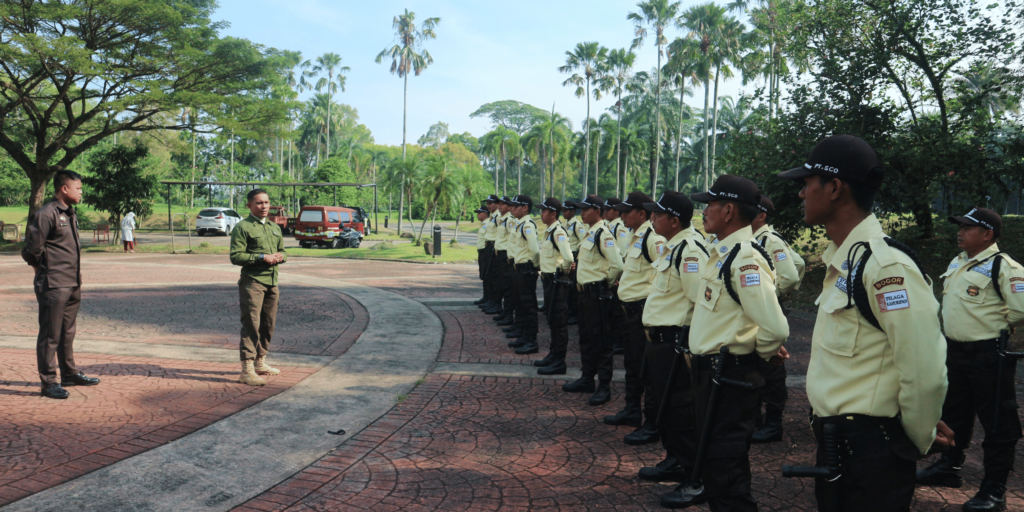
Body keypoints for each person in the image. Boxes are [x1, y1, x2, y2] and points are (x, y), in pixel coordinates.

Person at [778, 135, 951, 512]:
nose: (801, 194)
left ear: (835, 188)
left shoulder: (886, 267)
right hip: (841, 442)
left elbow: (924, 368)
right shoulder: (849, 261)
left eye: (807, 185)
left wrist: (916, 438)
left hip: (871, 449)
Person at [661, 175, 789, 510]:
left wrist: (760, 352)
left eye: (710, 204)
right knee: (716, 469)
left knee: (727, 474)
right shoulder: (722, 254)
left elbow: (775, 328)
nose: (704, 212)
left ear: (729, 210)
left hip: (731, 377)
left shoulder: (745, 259)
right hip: (713, 375)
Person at [917, 207, 1024, 511]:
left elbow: (1022, 308)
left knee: (997, 423)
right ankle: (949, 468)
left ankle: (994, 491)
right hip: (956, 353)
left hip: (989, 356)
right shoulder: (960, 262)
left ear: (987, 234)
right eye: (960, 227)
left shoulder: (1004, 266)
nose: (960, 232)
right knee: (954, 413)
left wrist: (997, 324)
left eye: (967, 228)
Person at [636, 191, 709, 499]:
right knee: (665, 410)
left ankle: (696, 479)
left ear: (674, 220)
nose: (652, 217)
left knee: (681, 412)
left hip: (675, 345)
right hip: (659, 343)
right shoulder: (673, 246)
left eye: (657, 214)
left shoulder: (690, 250)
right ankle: (675, 460)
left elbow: (698, 303)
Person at [22, 170, 100, 399]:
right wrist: (40, 269)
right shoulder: (47, 214)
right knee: (50, 334)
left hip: (72, 282)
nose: (81, 192)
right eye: (78, 188)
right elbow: (32, 250)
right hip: (53, 284)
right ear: (64, 189)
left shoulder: (69, 212)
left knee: (67, 331)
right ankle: (48, 382)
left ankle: (69, 373)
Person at [603, 192, 666, 443]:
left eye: (627, 211)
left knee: (646, 369)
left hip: (643, 312)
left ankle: (651, 423)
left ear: (642, 213)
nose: (622, 215)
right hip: (629, 312)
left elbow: (663, 274)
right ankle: (632, 410)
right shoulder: (633, 236)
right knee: (631, 364)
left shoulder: (653, 238)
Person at [749, 195, 806, 444]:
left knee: (772, 363)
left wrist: (772, 294)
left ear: (762, 215)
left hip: (767, 307)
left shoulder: (770, 241)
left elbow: (792, 275)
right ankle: (756, 418)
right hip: (755, 309)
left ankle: (773, 423)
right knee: (755, 361)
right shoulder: (751, 240)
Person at [562, 195, 623, 406]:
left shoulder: (602, 234)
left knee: (602, 341)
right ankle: (587, 379)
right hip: (584, 294)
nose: (582, 213)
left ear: (597, 210)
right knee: (586, 339)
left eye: (586, 209)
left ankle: (604, 386)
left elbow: (617, 265)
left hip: (596, 294)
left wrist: (604, 285)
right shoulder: (589, 233)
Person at [230, 188, 288, 386]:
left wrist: (281, 256)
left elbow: (283, 250)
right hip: (253, 283)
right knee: (251, 324)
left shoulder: (274, 227)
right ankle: (246, 370)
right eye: (259, 203)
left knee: (268, 324)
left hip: (272, 282)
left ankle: (260, 362)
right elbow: (235, 256)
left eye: (266, 202)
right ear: (249, 205)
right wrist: (262, 257)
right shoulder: (243, 227)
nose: (264, 206)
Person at [535, 198, 574, 375]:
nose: (541, 214)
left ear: (553, 214)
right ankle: (553, 355)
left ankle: (559, 361)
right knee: (551, 318)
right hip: (549, 280)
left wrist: (562, 274)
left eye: (544, 211)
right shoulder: (549, 231)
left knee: (559, 322)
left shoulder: (558, 232)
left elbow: (568, 258)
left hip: (557, 281)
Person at [507, 195, 542, 354]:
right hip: (518, 267)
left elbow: (534, 250)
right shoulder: (519, 224)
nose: (512, 209)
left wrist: (533, 267)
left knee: (528, 305)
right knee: (520, 304)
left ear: (525, 208)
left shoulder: (527, 225)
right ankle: (523, 335)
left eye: (516, 206)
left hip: (525, 268)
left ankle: (531, 340)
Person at [603, 197, 629, 356]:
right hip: (609, 273)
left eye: (608, 209)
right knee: (610, 312)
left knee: (617, 312)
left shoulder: (619, 228)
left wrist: (617, 277)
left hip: (617, 275)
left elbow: (621, 255)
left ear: (617, 211)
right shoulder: (608, 227)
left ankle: (618, 342)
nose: (605, 212)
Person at [492, 198, 516, 326]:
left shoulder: (509, 220)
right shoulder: (502, 220)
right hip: (500, 255)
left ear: (509, 206)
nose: (499, 206)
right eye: (499, 204)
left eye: (503, 204)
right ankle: (505, 312)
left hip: (506, 255)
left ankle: (508, 314)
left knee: (507, 286)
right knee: (501, 283)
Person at [480, 195, 504, 315]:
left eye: (491, 203)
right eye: (488, 203)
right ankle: (490, 300)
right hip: (489, 246)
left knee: (495, 276)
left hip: (494, 247)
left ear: (497, 203)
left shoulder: (498, 216)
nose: (489, 205)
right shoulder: (492, 216)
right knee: (489, 274)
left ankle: (496, 303)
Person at [562, 202, 584, 325]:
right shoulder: (567, 224)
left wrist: (578, 259)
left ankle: (575, 314)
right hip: (569, 256)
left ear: (572, 211)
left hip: (575, 257)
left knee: (573, 287)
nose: (563, 213)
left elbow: (582, 242)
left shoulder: (577, 225)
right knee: (569, 287)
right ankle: (570, 311)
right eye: (563, 210)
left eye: (566, 211)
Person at [473, 205, 491, 305]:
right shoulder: (483, 224)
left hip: (486, 252)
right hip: (481, 252)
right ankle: (486, 296)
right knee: (483, 274)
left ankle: (488, 297)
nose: (478, 215)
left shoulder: (488, 224)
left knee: (487, 274)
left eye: (479, 213)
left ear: (485, 213)